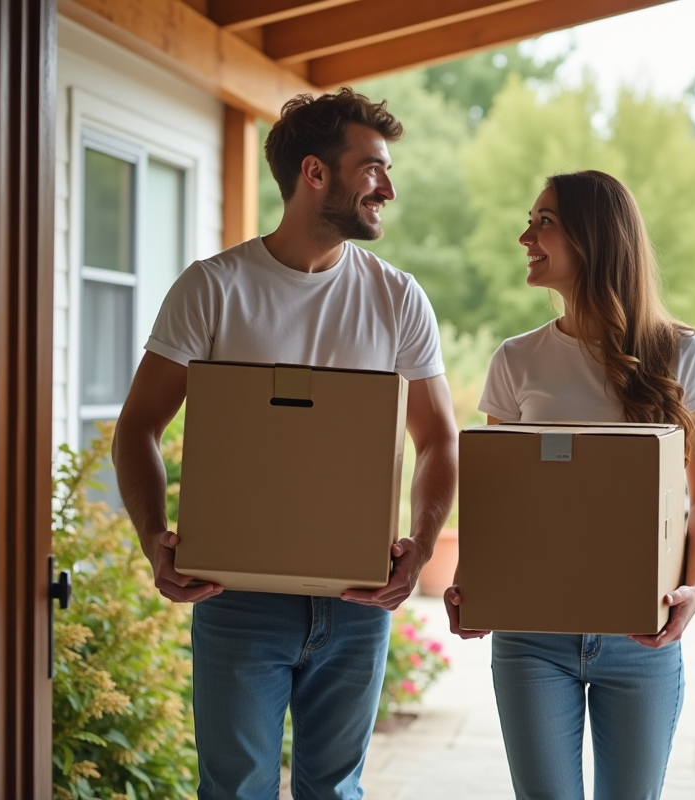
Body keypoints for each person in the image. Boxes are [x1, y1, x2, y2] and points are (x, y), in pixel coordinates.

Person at [113, 89, 458, 800]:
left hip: (357, 599)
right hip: (237, 598)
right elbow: (138, 426)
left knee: (334, 792)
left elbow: (438, 441)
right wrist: (153, 538)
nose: (388, 189)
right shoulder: (213, 289)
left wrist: (421, 547)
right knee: (235, 790)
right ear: (315, 173)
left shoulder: (398, 298)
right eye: (372, 169)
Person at [444, 170, 695, 800]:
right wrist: (473, 583)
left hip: (642, 637)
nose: (526, 237)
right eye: (530, 222)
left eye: (544, 222)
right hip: (531, 638)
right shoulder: (516, 359)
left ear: (595, 237)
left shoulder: (681, 354)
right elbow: (498, 498)